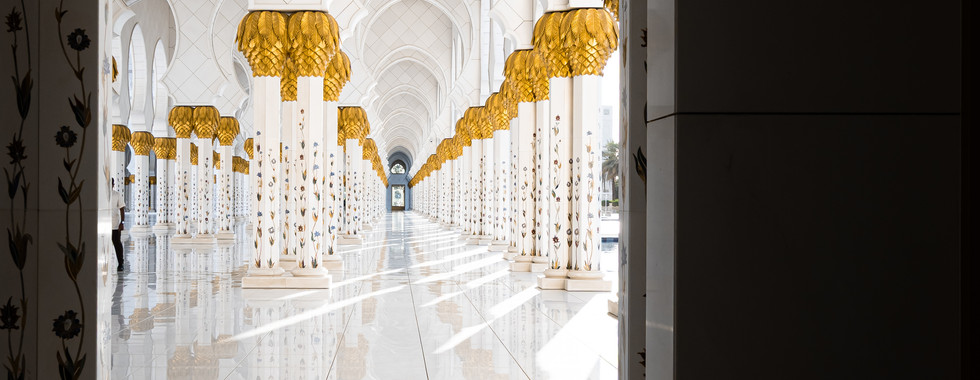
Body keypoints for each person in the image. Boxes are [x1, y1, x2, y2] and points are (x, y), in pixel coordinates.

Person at [111, 179, 126, 271]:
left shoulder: (116, 195)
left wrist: (122, 222)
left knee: (117, 244)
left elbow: (122, 208)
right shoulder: (102, 195)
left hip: (114, 224)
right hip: (103, 224)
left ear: (113, 184)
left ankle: (120, 263)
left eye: (112, 183)